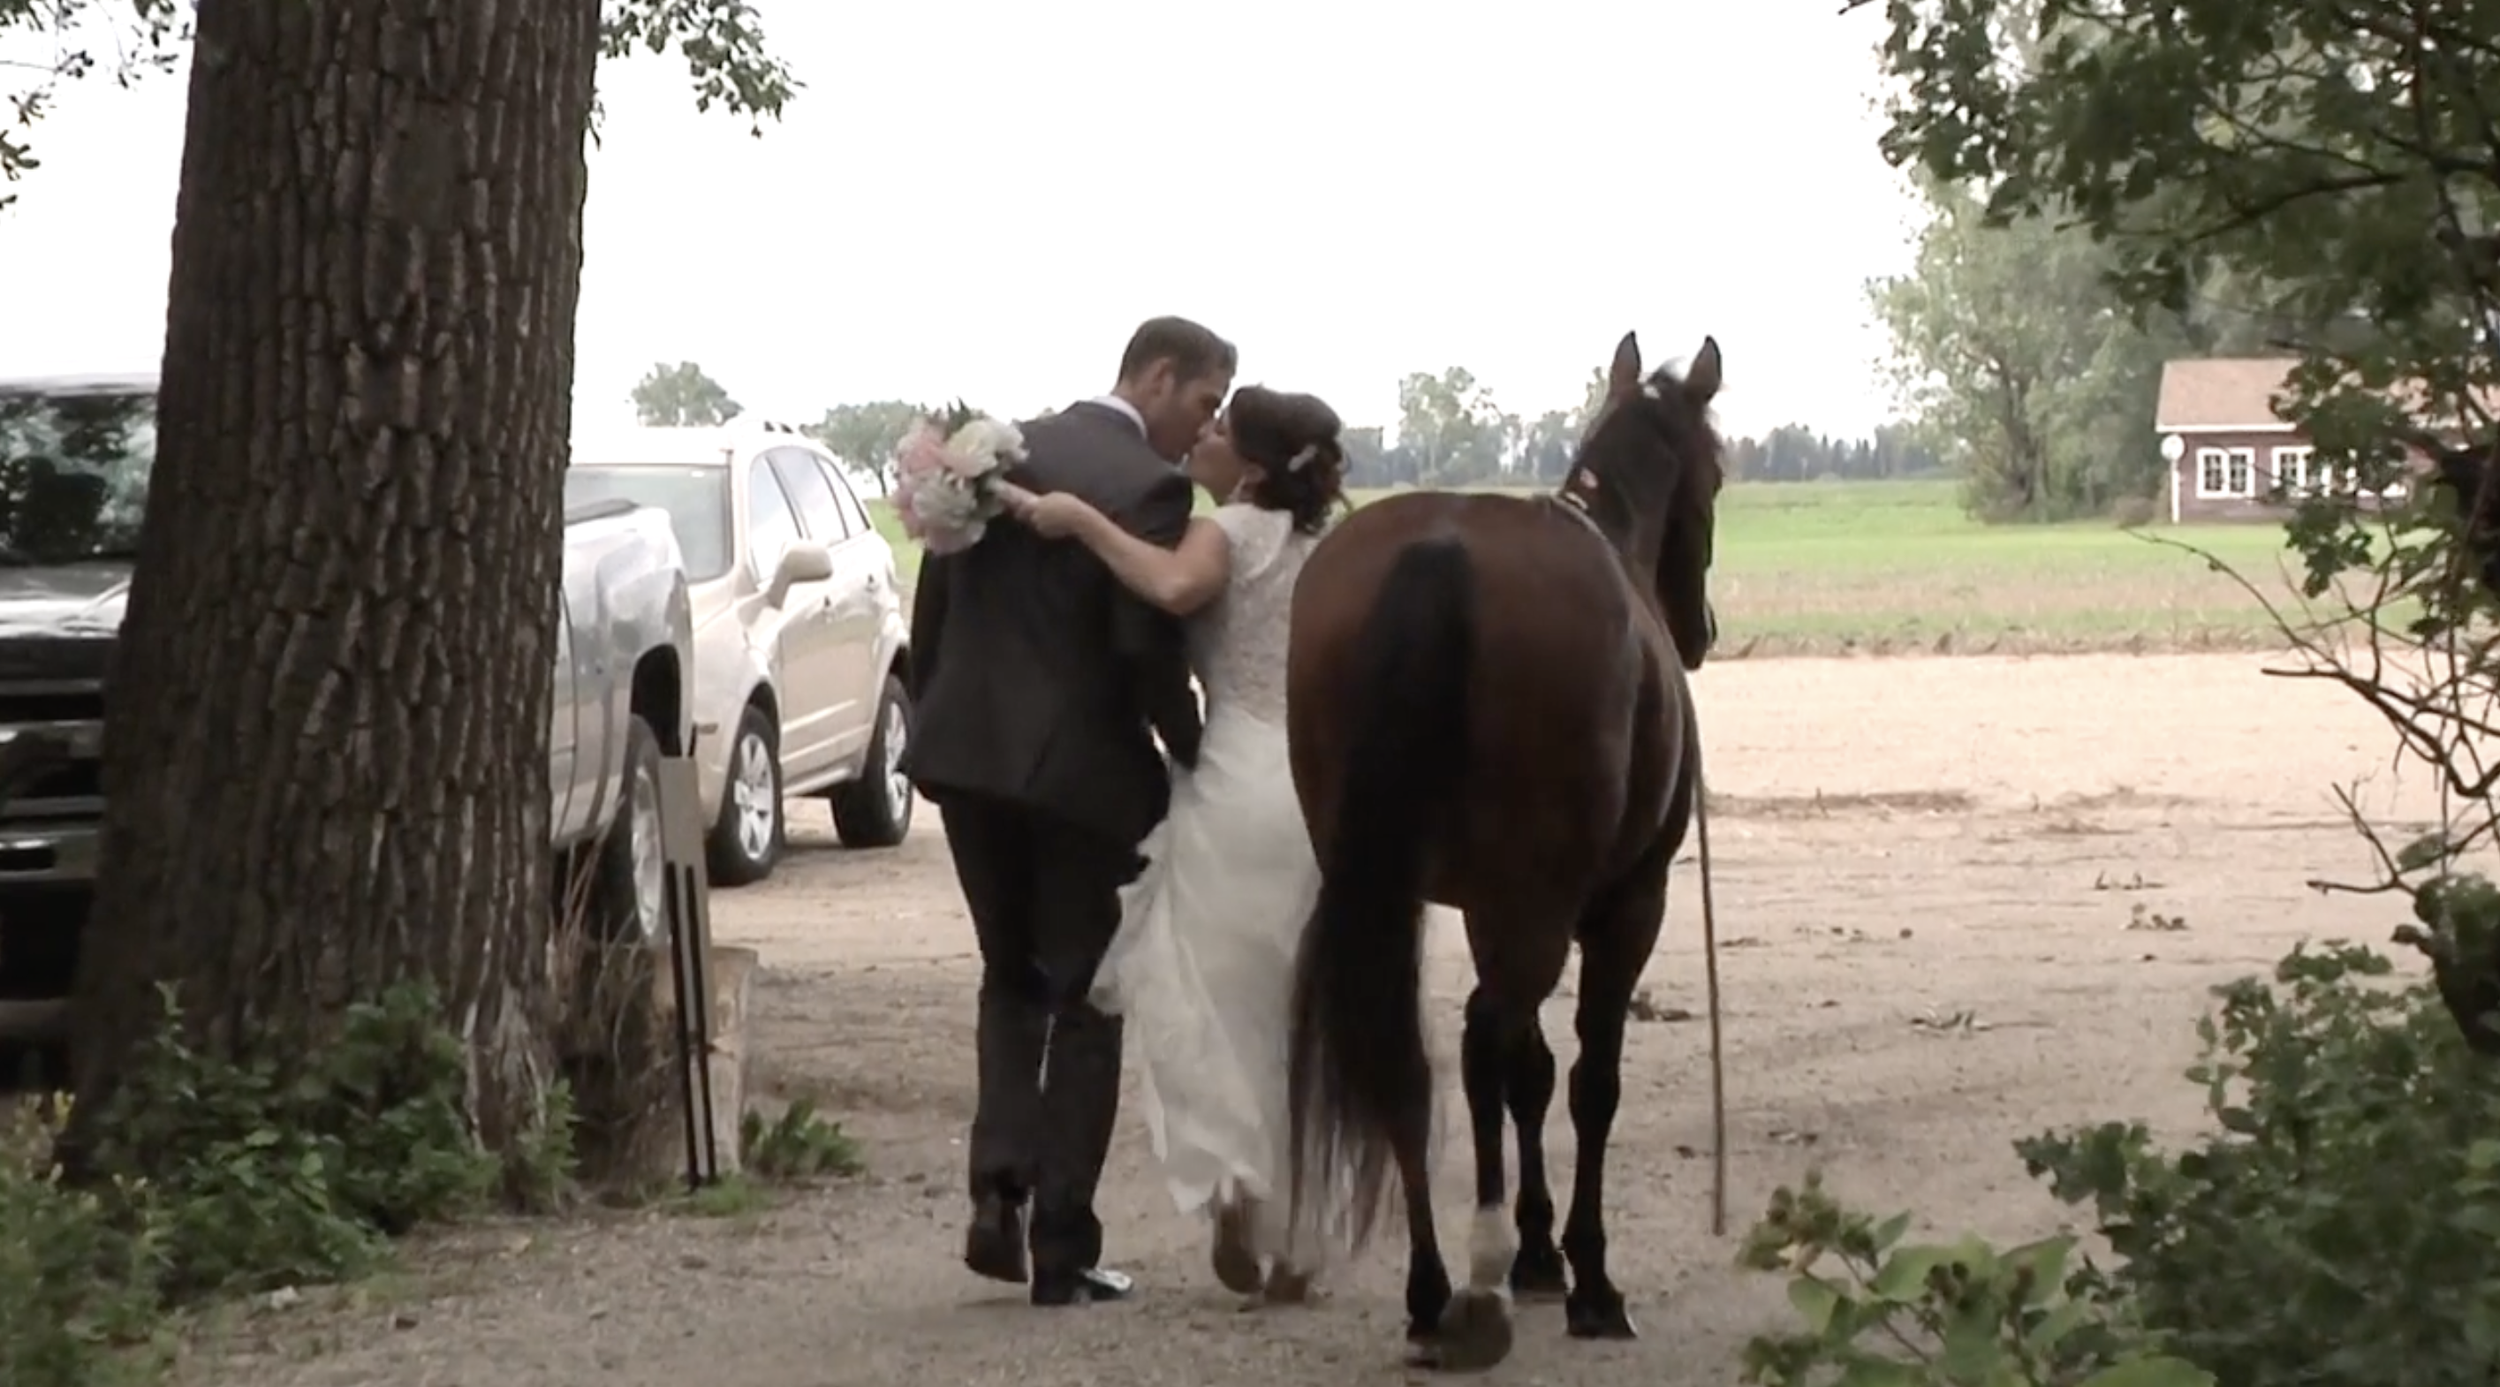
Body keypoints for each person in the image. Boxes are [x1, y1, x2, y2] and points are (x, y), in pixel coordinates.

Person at [903, 315, 1235, 1307]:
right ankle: (1061, 1245)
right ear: (1160, 375)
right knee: (1088, 997)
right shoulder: (1148, 488)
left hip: (967, 760)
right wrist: (1195, 752)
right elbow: (1145, 650)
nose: (1201, 430)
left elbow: (935, 611)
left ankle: (994, 1196)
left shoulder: (992, 453)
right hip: (1079, 778)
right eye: (1203, 403)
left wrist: (938, 725)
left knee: (1008, 977)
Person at [1008, 385, 1352, 1304]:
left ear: (1245, 466)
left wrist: (1078, 517)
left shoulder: (1225, 534)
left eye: (1217, 431)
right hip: (1318, 786)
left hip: (1237, 776)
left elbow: (1170, 589)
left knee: (1214, 995)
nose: (1198, 438)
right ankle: (1299, 1227)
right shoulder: (1323, 547)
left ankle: (1238, 1184)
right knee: (1296, 1002)